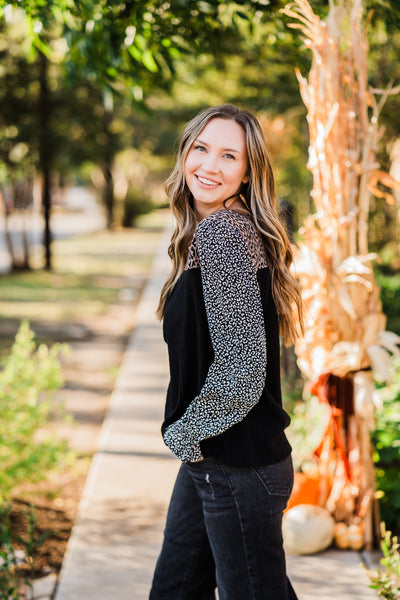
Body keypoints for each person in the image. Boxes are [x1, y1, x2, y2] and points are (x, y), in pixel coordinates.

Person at [150, 104, 304, 600]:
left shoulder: (223, 235)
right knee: (175, 589)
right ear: (185, 152)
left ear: (247, 172)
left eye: (229, 156)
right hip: (216, 459)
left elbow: (241, 371)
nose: (210, 166)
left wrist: (183, 433)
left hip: (238, 466)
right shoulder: (212, 231)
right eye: (201, 149)